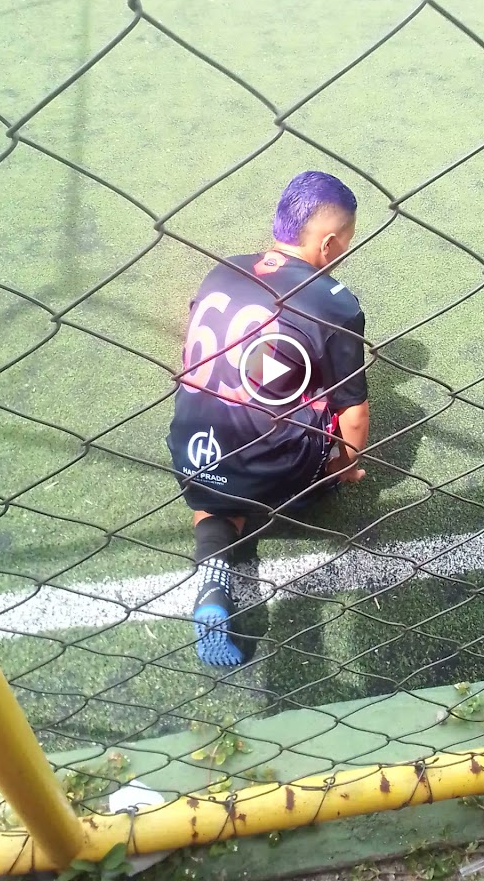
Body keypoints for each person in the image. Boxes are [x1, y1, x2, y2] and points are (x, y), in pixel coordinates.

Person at [167, 171, 369, 668]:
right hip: (269, 464)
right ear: (328, 243)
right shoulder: (334, 301)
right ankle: (305, 482)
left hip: (191, 447)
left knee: (220, 492)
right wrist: (343, 465)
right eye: (346, 241)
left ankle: (212, 577)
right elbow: (354, 412)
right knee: (317, 392)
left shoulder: (222, 270)